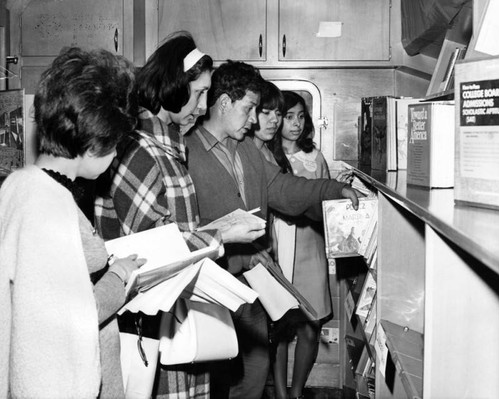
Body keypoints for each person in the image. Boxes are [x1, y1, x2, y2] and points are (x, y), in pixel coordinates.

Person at [94, 31, 265, 398]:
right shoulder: (140, 151)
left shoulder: (166, 148)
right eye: (200, 92)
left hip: (172, 314)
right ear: (174, 83)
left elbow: (168, 231)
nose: (203, 107)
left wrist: (215, 230)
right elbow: (154, 253)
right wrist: (222, 236)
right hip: (149, 326)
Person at [184, 60, 360, 399]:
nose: (255, 120)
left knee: (253, 375)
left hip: (252, 291)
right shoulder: (187, 149)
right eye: (249, 109)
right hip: (209, 291)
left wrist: (331, 191)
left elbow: (284, 188)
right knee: (214, 382)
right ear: (224, 104)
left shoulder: (247, 150)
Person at [0, 47, 145, 398]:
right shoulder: (48, 204)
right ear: (94, 143)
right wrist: (121, 274)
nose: (114, 157)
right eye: (115, 146)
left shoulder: (21, 185)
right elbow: (79, 314)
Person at [268, 90, 333, 399]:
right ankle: (280, 394)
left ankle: (295, 394)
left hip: (311, 250)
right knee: (278, 328)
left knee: (310, 326)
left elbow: (328, 209)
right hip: (278, 249)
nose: (295, 124)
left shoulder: (315, 158)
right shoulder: (266, 155)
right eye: (288, 117)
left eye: (300, 117)